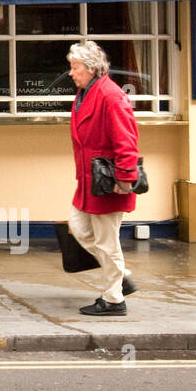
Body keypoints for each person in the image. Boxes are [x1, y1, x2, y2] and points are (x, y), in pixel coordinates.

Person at [66, 40, 139, 315]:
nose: (71, 73)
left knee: (107, 243)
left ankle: (113, 300)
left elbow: (127, 139)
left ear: (91, 68)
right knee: (79, 228)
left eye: (75, 67)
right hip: (89, 181)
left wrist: (125, 178)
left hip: (108, 182)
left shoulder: (110, 95)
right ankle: (120, 276)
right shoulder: (87, 91)